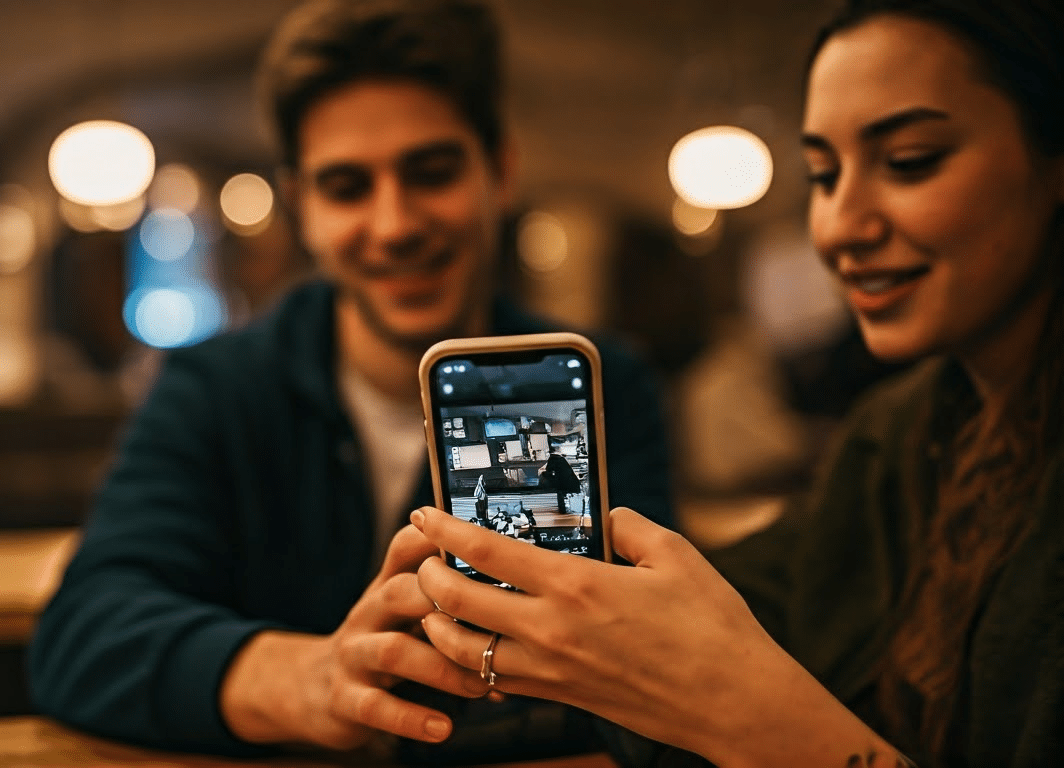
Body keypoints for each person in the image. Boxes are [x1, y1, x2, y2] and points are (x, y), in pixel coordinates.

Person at [412, 0, 1064, 766]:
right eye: (822, 174)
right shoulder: (903, 434)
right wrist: (396, 679)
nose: (838, 225)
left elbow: (720, 672)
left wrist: (749, 713)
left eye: (910, 161)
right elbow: (729, 608)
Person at [29, 0, 674, 762]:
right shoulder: (214, 386)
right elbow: (83, 634)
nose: (394, 223)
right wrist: (310, 682)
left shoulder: (602, 387)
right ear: (301, 206)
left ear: (499, 171)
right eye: (347, 187)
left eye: (430, 172)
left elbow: (644, 655)